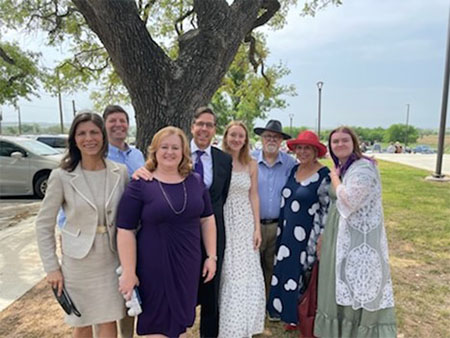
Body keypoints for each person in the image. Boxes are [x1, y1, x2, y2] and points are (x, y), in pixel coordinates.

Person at [116, 126, 217, 337]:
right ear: (154, 151)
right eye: (164, 147)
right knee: (156, 324)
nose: (169, 152)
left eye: (175, 148)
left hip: (188, 264)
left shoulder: (195, 182)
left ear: (183, 152)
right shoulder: (141, 184)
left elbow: (207, 219)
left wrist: (211, 256)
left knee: (179, 324)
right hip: (154, 266)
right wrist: (128, 271)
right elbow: (125, 230)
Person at [35, 112, 129, 338]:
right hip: (78, 263)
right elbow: (43, 225)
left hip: (111, 259)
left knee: (108, 320)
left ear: (103, 136)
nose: (89, 138)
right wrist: (52, 268)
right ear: (74, 139)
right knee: (82, 322)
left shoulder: (120, 172)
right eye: (82, 133)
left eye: (94, 132)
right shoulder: (61, 176)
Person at [314, 126, 397, 338]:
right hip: (337, 233)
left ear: (354, 144)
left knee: (356, 283)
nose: (340, 144)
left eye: (344, 140)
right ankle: (338, 331)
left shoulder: (363, 168)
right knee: (336, 282)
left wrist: (334, 178)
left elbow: (350, 199)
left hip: (356, 238)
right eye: (335, 141)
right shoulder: (344, 167)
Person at [267, 130, 330, 329]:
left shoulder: (324, 175)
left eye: (307, 148)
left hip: (308, 234)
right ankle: (286, 313)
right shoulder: (293, 170)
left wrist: (322, 237)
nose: (302, 152)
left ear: (315, 151)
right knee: (286, 271)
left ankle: (302, 315)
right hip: (286, 232)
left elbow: (327, 209)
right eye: (299, 148)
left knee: (304, 273)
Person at [218, 121, 265, 338]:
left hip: (245, 221)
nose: (237, 139)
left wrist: (257, 228)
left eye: (241, 136)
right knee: (230, 270)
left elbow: (253, 195)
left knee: (247, 270)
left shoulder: (251, 164)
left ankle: (246, 322)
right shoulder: (219, 160)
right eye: (233, 135)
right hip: (225, 218)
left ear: (245, 140)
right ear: (226, 136)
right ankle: (229, 324)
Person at [252, 120, 296, 302]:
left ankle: (269, 303)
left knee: (272, 265)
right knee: (254, 267)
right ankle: (254, 304)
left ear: (281, 141)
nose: (271, 140)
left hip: (278, 224)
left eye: (276, 137)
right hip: (254, 224)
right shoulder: (250, 160)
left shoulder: (290, 164)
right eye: (268, 136)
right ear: (262, 138)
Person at [103, 105, 145, 176]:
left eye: (122, 121)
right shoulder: (100, 157)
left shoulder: (137, 155)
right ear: (103, 126)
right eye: (112, 121)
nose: (118, 124)